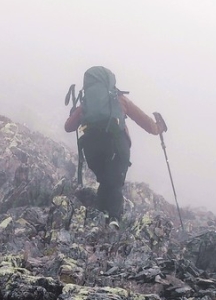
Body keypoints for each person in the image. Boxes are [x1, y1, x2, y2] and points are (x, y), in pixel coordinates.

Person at [65, 67, 165, 223]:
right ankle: (113, 220)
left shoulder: (86, 104)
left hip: (92, 150)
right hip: (117, 146)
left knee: (105, 181)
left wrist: (75, 113)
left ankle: (101, 215)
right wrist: (159, 127)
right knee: (115, 183)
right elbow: (146, 123)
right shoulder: (118, 99)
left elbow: (68, 127)